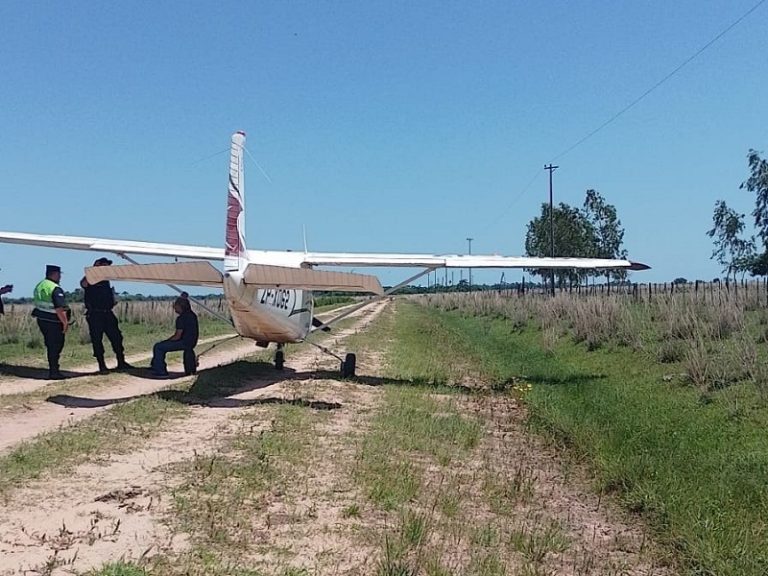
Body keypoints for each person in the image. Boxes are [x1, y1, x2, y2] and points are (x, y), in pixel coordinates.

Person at [80, 257, 131, 373]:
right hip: (95, 314)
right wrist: (94, 271)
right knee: (97, 339)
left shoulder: (106, 279)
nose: (107, 268)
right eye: (105, 265)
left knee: (117, 337)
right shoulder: (90, 278)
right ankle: (102, 365)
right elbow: (83, 284)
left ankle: (121, 362)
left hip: (108, 312)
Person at [31, 264, 70, 379]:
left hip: (42, 319)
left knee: (50, 344)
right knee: (56, 345)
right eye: (59, 275)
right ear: (55, 274)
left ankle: (53, 368)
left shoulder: (40, 285)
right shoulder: (54, 288)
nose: (60, 277)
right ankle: (54, 371)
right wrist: (65, 323)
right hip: (53, 321)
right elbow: (59, 308)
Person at [149, 296, 199, 377]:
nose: (174, 308)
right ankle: (190, 369)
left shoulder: (181, 318)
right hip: (192, 341)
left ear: (180, 306)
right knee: (162, 346)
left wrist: (166, 341)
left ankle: (160, 371)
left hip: (184, 342)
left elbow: (177, 336)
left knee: (158, 347)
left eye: (175, 306)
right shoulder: (192, 315)